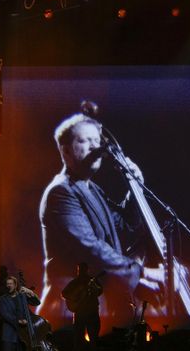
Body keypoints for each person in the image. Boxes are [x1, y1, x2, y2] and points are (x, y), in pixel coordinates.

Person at [38, 113, 163, 323]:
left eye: (96, 141)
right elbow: (90, 248)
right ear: (65, 150)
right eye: (85, 141)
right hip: (69, 309)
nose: (94, 148)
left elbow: (125, 226)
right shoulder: (60, 192)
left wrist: (135, 190)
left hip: (93, 306)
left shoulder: (92, 189)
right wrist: (143, 272)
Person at [62, 262, 103, 350]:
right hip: (80, 313)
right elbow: (64, 293)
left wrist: (95, 288)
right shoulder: (75, 282)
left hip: (92, 313)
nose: (80, 272)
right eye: (79, 270)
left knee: (93, 339)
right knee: (78, 340)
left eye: (82, 270)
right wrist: (75, 297)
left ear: (86, 270)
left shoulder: (93, 281)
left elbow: (99, 291)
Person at [0, 276, 40, 351]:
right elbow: (5, 315)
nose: (9, 286)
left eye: (11, 284)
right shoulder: (2, 299)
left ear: (15, 285)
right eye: (7, 284)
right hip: (9, 336)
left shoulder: (22, 295)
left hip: (25, 334)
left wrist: (30, 292)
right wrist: (18, 321)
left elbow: (37, 302)